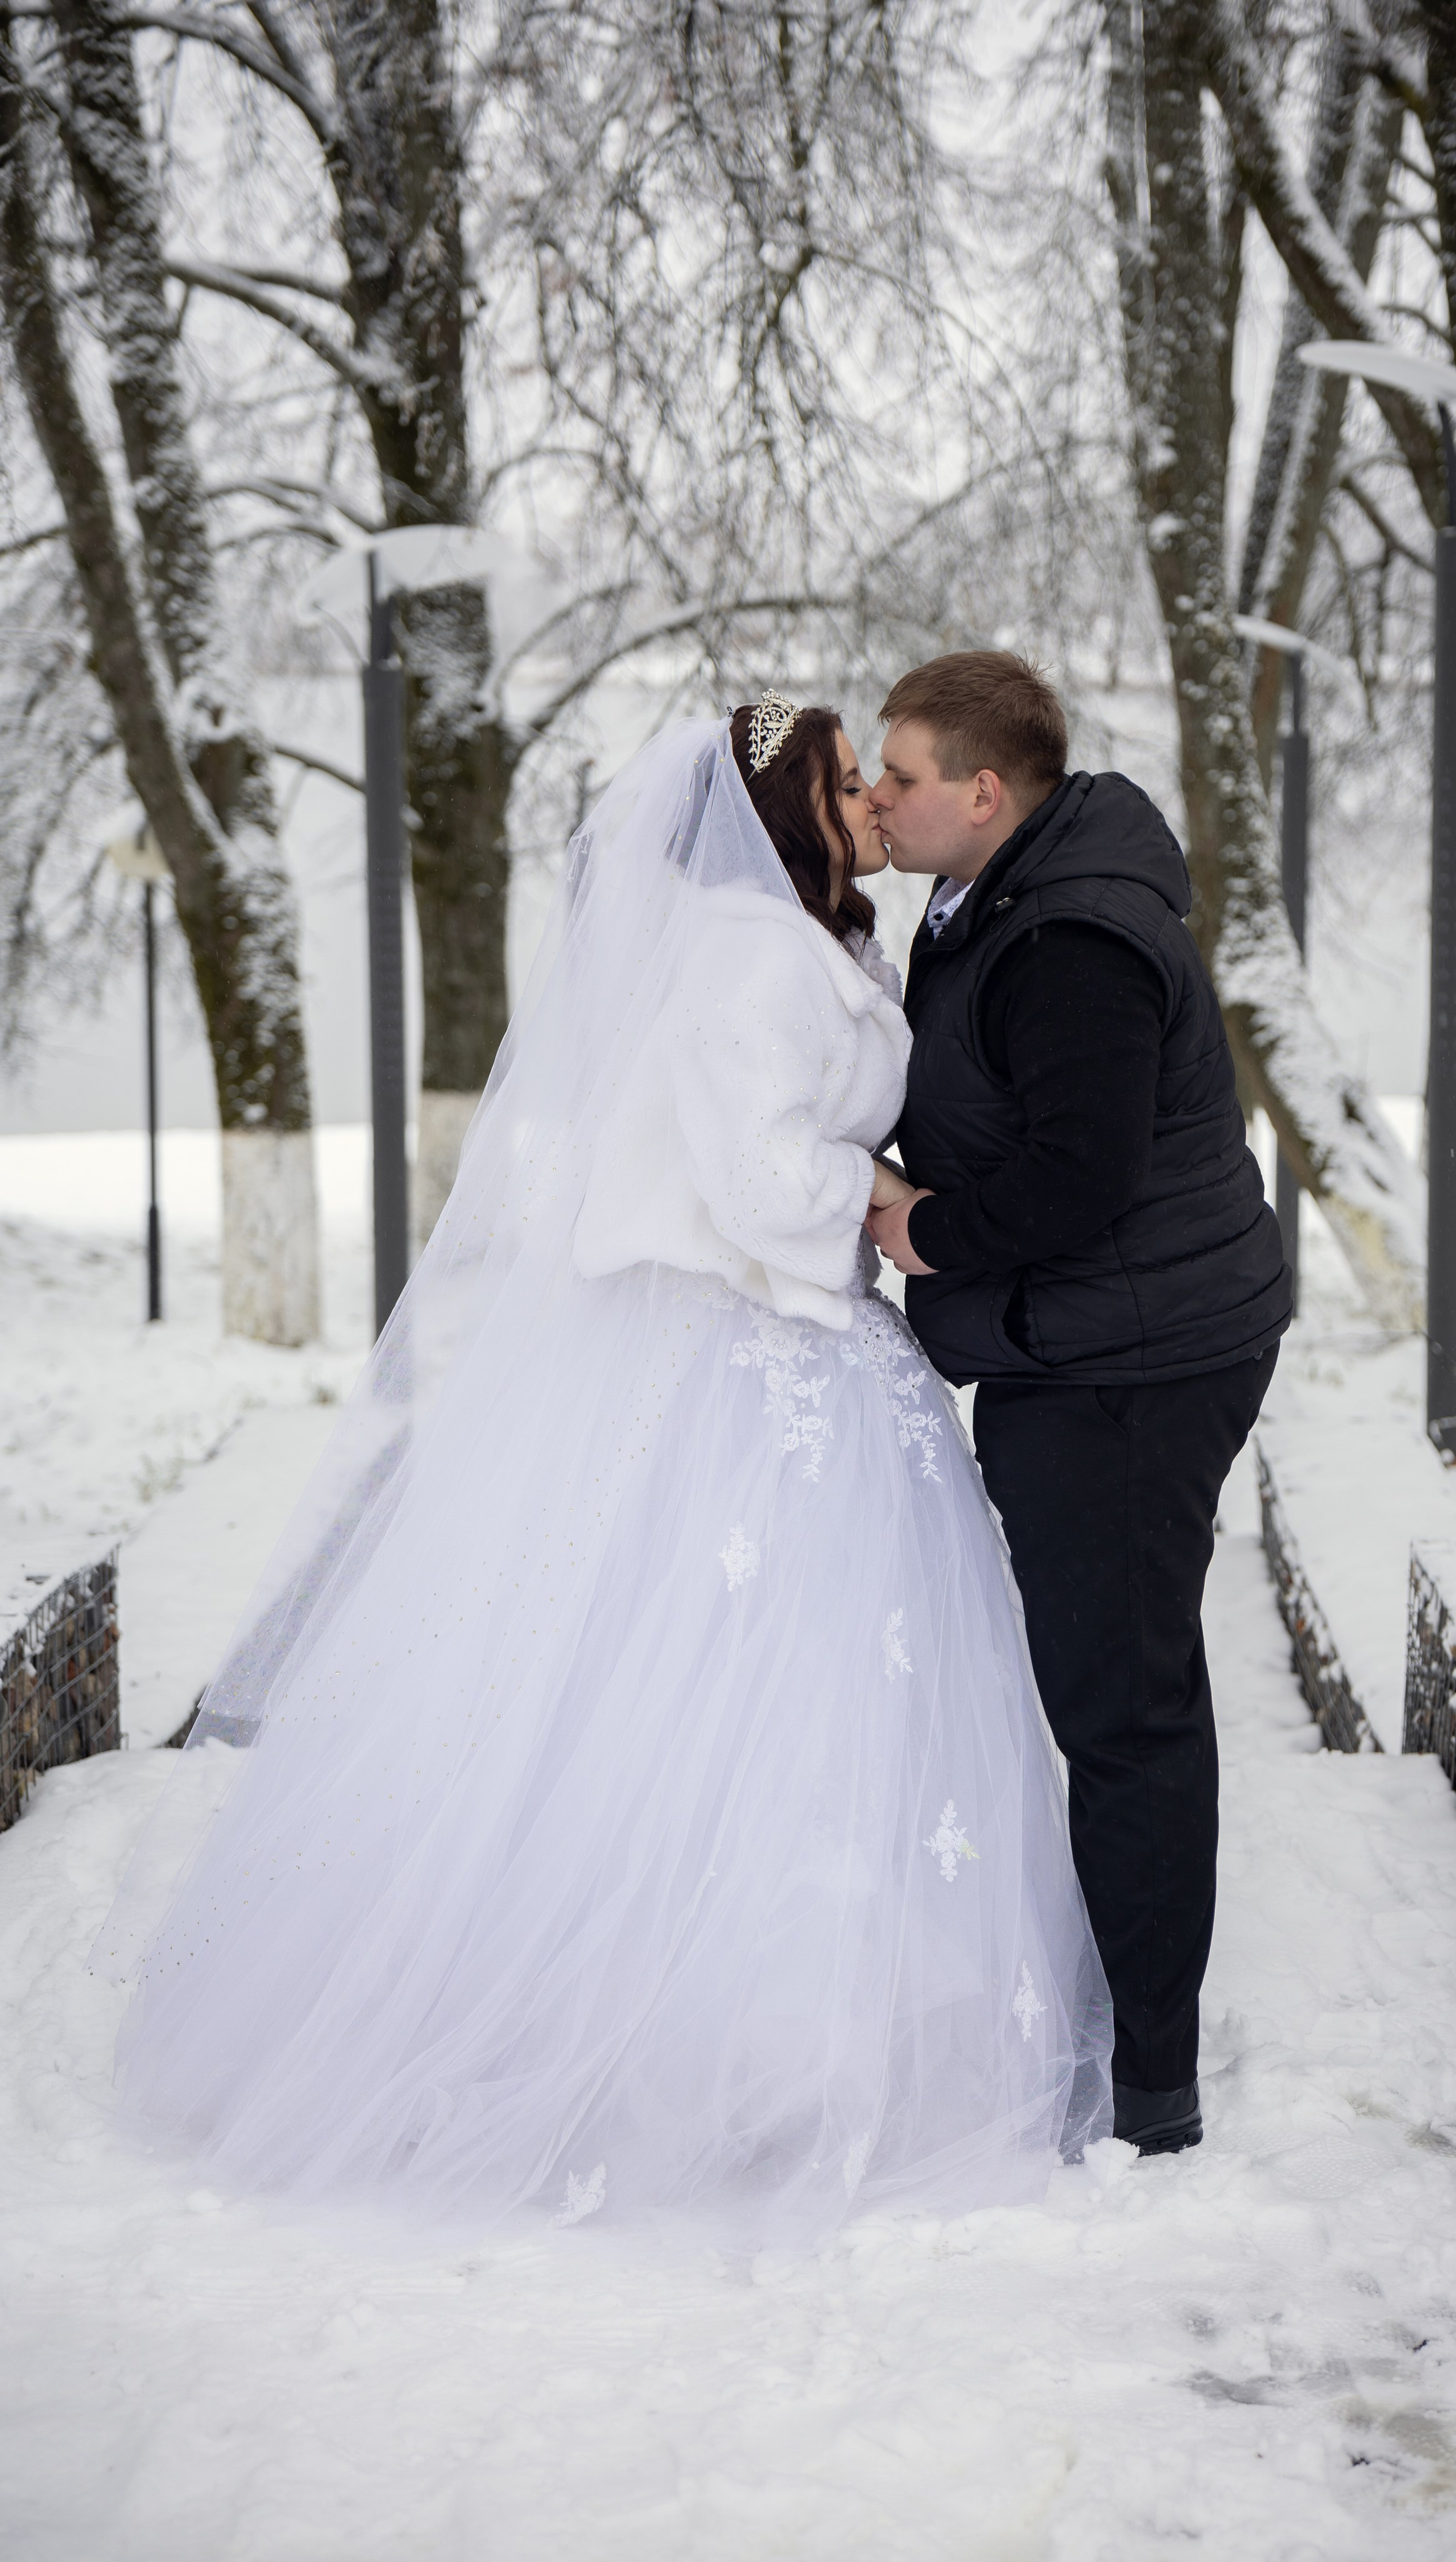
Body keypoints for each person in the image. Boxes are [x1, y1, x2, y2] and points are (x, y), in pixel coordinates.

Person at [104, 701, 1111, 2240]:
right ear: (781, 810)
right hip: (729, 1346)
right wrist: (877, 1194)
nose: (864, 798)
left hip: (812, 1347)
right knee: (683, 1694)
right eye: (844, 780)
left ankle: (799, 2032)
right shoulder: (736, 953)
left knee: (804, 1708)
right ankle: (636, 2036)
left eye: (875, 775)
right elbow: (753, 1169)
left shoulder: (814, 940)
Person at [865, 652, 1292, 2158]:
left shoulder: (1068, 937)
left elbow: (1076, 1174)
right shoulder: (1001, 891)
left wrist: (915, 1229)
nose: (875, 796)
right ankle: (1135, 2021)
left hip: (1128, 1360)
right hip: (1105, 1336)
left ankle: (1153, 2091)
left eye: (899, 775)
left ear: (984, 791)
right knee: (1115, 1689)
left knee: (1123, 1707)